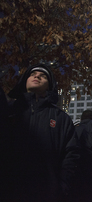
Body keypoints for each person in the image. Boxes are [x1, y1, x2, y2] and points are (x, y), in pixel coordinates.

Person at [6, 63, 79, 201]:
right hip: (9, 190)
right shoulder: (8, 111)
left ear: (49, 86)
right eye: (32, 74)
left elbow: (71, 154)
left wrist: (61, 186)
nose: (37, 76)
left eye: (43, 76)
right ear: (25, 80)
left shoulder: (61, 118)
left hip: (47, 193)